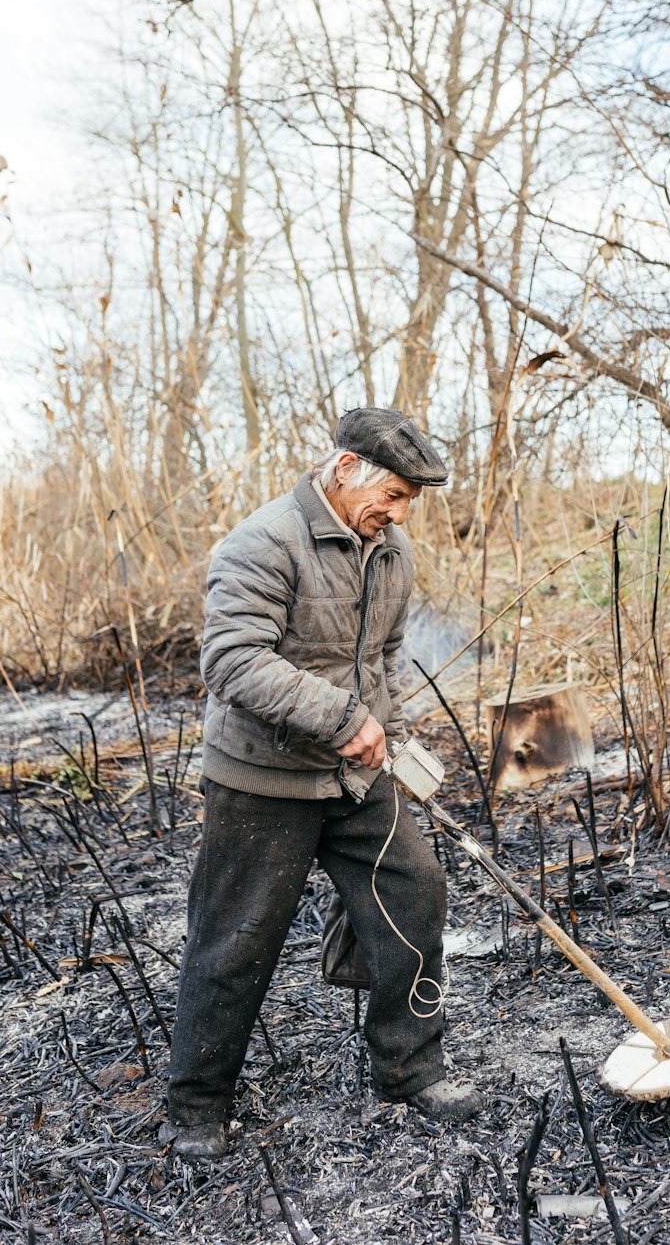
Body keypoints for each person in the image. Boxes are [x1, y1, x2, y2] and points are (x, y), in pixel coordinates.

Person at [161, 408, 483, 1160]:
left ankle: (409, 1067)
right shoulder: (262, 542)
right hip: (261, 779)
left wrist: (387, 732)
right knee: (235, 938)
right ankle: (198, 1107)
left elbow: (387, 657)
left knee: (415, 890)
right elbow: (232, 661)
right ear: (344, 469)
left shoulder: (390, 550)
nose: (400, 515)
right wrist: (344, 717)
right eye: (394, 495)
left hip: (353, 774)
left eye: (409, 501)